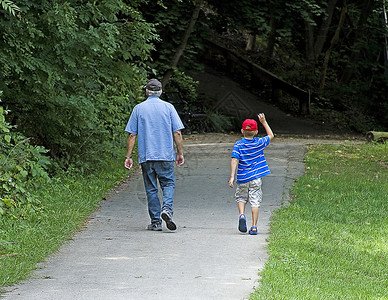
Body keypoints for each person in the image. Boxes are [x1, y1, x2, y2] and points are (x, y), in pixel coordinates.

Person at [124, 78, 185, 231]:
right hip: (165, 155)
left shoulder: (138, 108)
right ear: (160, 92)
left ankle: (156, 222)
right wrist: (180, 153)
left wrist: (128, 156)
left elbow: (132, 135)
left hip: (147, 156)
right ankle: (167, 210)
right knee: (168, 184)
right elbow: (177, 132)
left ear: (146, 92)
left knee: (151, 189)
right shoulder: (169, 107)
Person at [228, 114, 274, 235]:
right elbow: (270, 135)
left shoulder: (238, 145)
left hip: (242, 178)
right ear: (256, 131)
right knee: (255, 201)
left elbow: (234, 160)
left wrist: (232, 176)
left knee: (241, 198)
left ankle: (242, 215)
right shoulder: (259, 142)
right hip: (256, 178)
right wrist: (264, 122)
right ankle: (254, 226)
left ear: (242, 131)